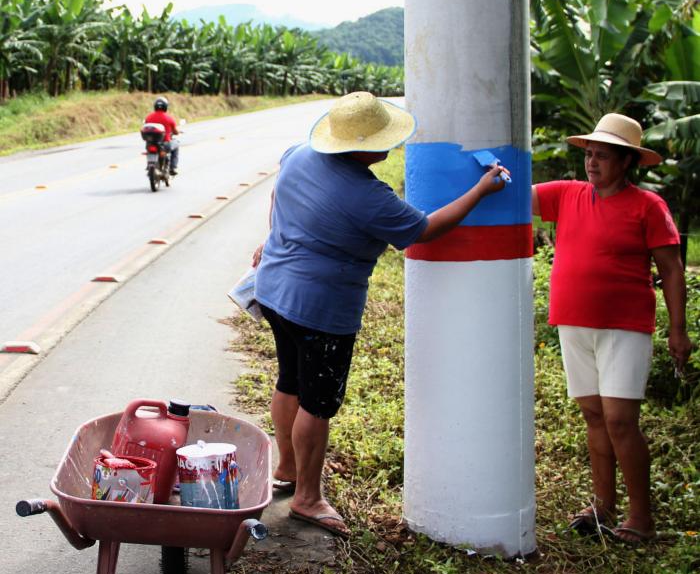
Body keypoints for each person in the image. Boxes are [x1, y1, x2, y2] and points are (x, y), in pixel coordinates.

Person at [252, 91, 510, 538]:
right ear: (362, 145)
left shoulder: (298, 156)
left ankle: (289, 469)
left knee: (289, 380)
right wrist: (481, 191)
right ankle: (307, 499)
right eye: (383, 138)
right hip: (320, 308)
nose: (390, 146)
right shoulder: (367, 196)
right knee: (317, 401)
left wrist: (273, 236)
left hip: (275, 291)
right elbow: (424, 230)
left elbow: (277, 193)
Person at [532, 113, 691, 545]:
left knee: (621, 420)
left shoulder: (648, 206)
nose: (592, 163)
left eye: (603, 156)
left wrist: (679, 330)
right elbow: (512, 196)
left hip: (625, 325)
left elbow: (672, 272)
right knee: (594, 415)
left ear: (626, 163)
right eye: (590, 154)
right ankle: (603, 506)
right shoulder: (567, 195)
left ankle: (641, 517)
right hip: (573, 323)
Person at [144, 96, 180, 174]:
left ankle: (149, 165)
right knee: (176, 144)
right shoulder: (169, 118)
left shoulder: (149, 117)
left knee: (149, 150)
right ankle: (172, 168)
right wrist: (177, 132)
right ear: (165, 107)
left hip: (150, 143)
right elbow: (175, 131)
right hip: (165, 144)